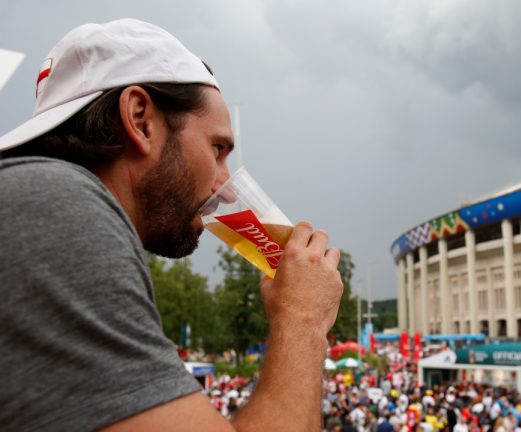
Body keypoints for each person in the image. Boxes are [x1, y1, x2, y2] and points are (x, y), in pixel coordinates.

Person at [0, 19, 344, 431]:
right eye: (218, 149)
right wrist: (302, 318)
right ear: (141, 118)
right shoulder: (54, 203)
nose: (228, 190)